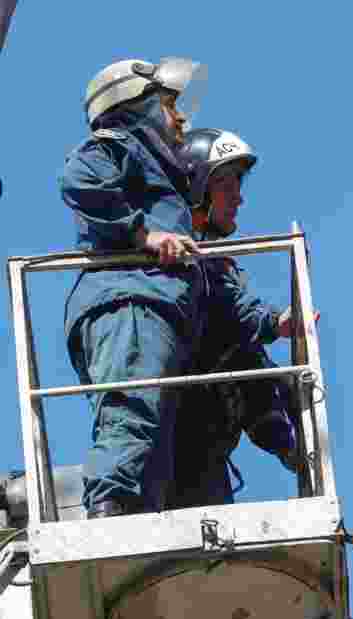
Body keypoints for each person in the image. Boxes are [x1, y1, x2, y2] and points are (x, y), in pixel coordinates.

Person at [60, 59, 299, 518]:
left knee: (151, 433)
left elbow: (223, 298)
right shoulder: (117, 148)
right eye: (170, 106)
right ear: (138, 106)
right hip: (133, 299)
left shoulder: (184, 233)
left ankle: (133, 510)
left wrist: (274, 321)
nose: (181, 118)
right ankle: (111, 511)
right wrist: (141, 236)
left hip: (163, 314)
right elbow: (79, 180)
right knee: (133, 411)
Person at [167, 128, 302, 509]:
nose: (239, 198)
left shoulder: (213, 260)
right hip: (175, 445)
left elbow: (244, 363)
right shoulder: (174, 257)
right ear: (197, 189)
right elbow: (228, 316)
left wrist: (283, 440)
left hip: (204, 450)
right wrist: (273, 323)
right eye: (227, 185)